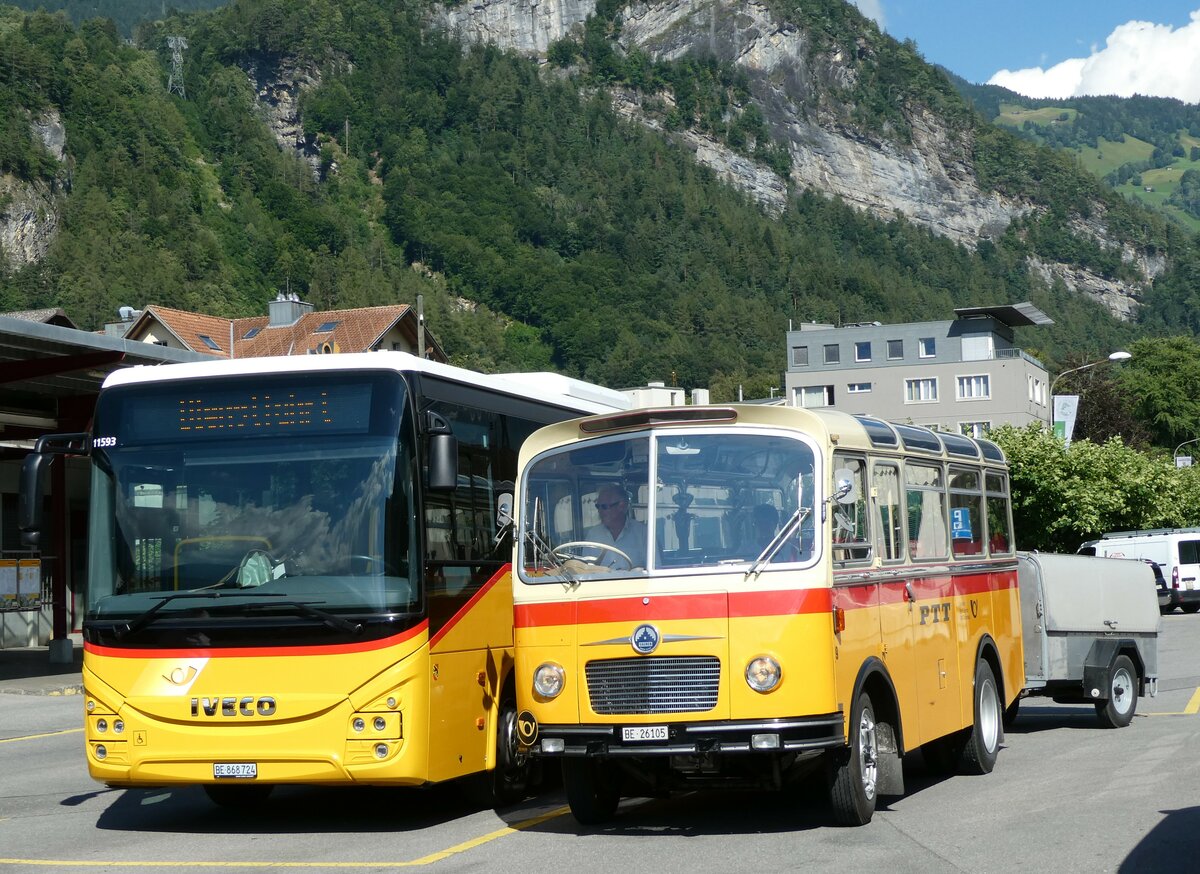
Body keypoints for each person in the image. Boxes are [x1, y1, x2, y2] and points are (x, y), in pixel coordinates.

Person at [583, 483, 648, 570]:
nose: (600, 511)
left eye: (604, 507)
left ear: (621, 506)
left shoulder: (643, 533)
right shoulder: (593, 534)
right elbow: (584, 570)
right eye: (598, 506)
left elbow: (655, 571)